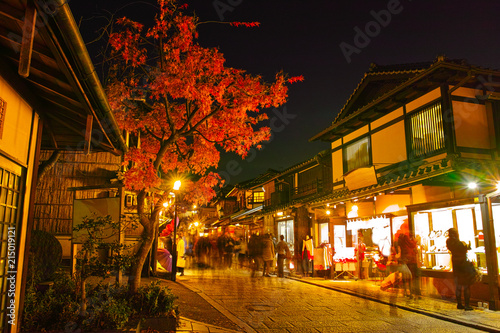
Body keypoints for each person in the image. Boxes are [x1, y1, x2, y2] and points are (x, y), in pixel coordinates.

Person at [446, 228, 473, 310]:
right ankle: (467, 305)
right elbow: (465, 249)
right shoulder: (459, 243)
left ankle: (459, 304)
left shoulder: (449, 242)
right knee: (466, 286)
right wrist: (467, 246)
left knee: (458, 286)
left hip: (455, 265)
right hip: (463, 266)